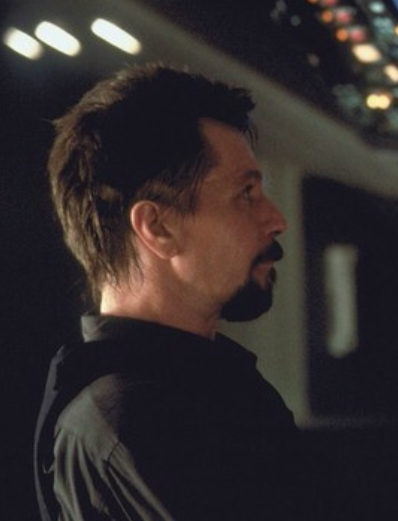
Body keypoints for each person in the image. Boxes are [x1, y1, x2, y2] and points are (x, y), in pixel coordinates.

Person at [34, 63, 324, 520]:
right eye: (246, 194)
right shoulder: (134, 422)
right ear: (158, 227)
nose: (277, 220)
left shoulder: (195, 392)